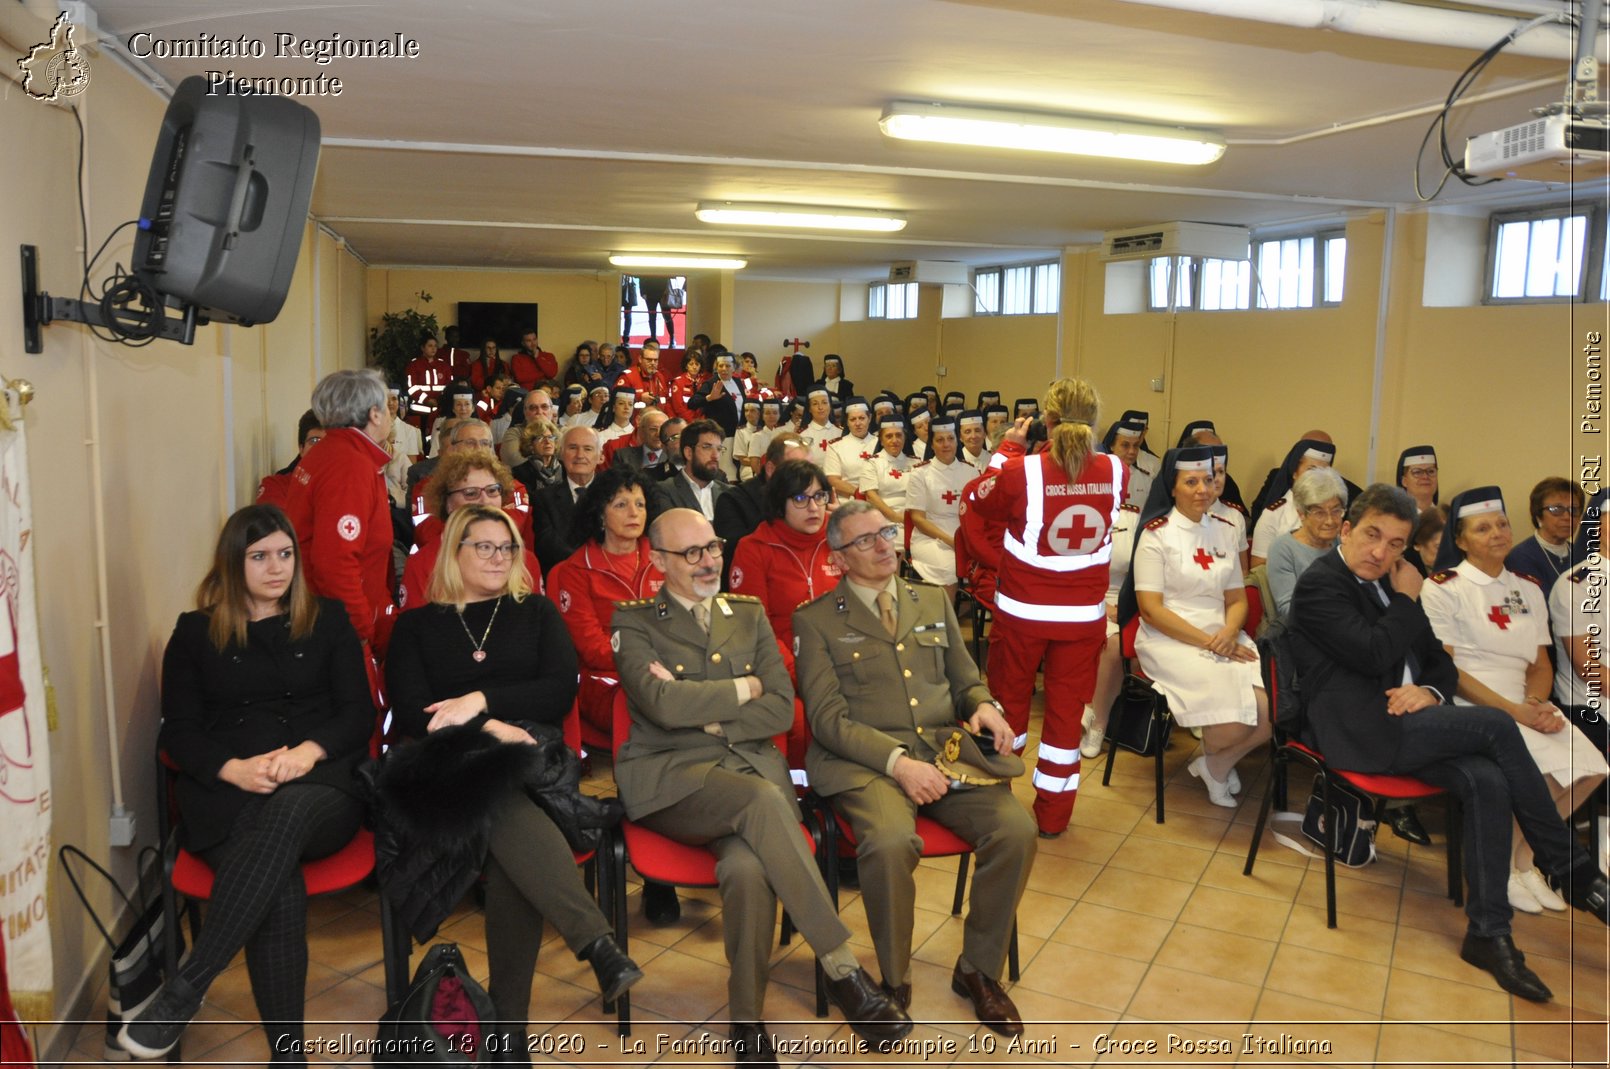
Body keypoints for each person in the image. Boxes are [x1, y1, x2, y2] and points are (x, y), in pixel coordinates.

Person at [1288, 483, 1610, 1001]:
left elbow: (1439, 663)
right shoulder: (1323, 585)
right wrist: (1407, 597)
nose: (1381, 552)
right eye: (1372, 536)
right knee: (1497, 726)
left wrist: (1430, 690)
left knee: (1485, 779)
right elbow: (1373, 654)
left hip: (1406, 722)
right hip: (1356, 732)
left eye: (1395, 544)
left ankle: (1489, 933)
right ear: (1345, 530)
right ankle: (1570, 868)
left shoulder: (1393, 583)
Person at [610, 509, 912, 1058]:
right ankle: (843, 970)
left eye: (713, 547)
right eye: (692, 553)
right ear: (657, 562)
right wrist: (741, 687)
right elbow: (657, 704)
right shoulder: (634, 622)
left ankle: (746, 1023)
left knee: (748, 869)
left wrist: (708, 711)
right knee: (762, 798)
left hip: (748, 778)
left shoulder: (746, 616)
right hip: (671, 783)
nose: (709, 562)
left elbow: (780, 711)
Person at [118, 506, 373, 1061]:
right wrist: (233, 769)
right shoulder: (194, 634)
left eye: (285, 555)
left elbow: (358, 714)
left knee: (284, 816)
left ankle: (187, 988)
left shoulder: (327, 619)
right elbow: (179, 734)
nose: (276, 568)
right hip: (229, 791)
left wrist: (307, 753)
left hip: (321, 786)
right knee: (276, 884)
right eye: (259, 557)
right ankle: (289, 1056)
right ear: (233, 564)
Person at [384, 506, 642, 1039]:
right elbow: (413, 711)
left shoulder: (536, 613)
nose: (499, 558)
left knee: (508, 846)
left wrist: (481, 700)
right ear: (454, 551)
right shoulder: (414, 628)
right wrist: (490, 730)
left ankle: (510, 1040)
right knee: (498, 800)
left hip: (531, 765)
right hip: (444, 774)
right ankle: (594, 944)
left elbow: (558, 688)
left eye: (507, 548)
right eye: (484, 547)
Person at [793, 500, 1035, 1036]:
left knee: (1016, 830)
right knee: (889, 843)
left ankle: (977, 970)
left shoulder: (929, 600)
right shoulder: (814, 622)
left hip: (943, 755)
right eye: (866, 541)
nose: (884, 546)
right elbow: (828, 722)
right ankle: (894, 978)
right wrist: (897, 763)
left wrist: (983, 704)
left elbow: (963, 678)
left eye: (885, 533)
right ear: (838, 558)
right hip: (865, 764)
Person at [1421, 487, 1608, 913]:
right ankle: (1502, 867)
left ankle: (1523, 863)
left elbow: (1540, 663)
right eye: (1482, 528)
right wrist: (1515, 712)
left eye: (1502, 524)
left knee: (1591, 767)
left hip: (1524, 700)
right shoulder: (1444, 588)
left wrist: (1536, 703)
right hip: (1473, 704)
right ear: (1462, 539)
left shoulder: (1526, 587)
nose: (1497, 533)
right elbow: (1448, 671)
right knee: (1547, 773)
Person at [969, 378, 1125, 836]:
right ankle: (1054, 818)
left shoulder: (1024, 471)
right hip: (1083, 621)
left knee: (1008, 706)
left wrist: (1007, 451)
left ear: (1047, 421)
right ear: (1095, 421)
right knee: (1063, 720)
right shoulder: (1117, 470)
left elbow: (980, 501)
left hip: (1023, 614)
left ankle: (998, 805)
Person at [1117, 446, 1270, 806]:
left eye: (1208, 479)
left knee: (1269, 711)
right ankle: (1217, 759)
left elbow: (1237, 599)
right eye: (1191, 481)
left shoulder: (1226, 529)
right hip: (1170, 638)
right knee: (1234, 720)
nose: (1203, 488)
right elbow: (1151, 611)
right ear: (1172, 487)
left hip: (1223, 633)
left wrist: (1230, 632)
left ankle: (1215, 764)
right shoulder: (1156, 536)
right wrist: (1211, 642)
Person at [282, 369, 397, 653]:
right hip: (343, 629)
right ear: (374, 414)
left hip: (325, 617)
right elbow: (335, 562)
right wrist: (360, 630)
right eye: (387, 406)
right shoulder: (350, 465)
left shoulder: (328, 453)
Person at [548, 467, 664, 747]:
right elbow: (591, 647)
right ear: (600, 514)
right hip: (606, 678)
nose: (634, 513)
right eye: (621, 505)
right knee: (652, 704)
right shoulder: (577, 570)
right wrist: (646, 664)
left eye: (640, 504)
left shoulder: (663, 557)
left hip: (668, 665)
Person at [1550, 487, 1610, 867]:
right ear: (1599, 526)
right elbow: (1589, 670)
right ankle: (1604, 857)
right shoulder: (1577, 585)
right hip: (1589, 706)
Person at [401, 451, 541, 610]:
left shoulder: (525, 561)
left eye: (493, 490)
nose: (485, 501)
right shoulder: (422, 565)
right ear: (448, 504)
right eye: (470, 493)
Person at [715, 434, 812, 591]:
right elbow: (735, 557)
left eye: (810, 469)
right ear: (771, 469)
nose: (806, 478)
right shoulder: (732, 500)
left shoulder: (812, 501)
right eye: (796, 470)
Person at [905, 414, 975, 594]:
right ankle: (946, 620)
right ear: (932, 444)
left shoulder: (971, 472)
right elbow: (918, 519)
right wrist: (951, 541)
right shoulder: (920, 473)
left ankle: (956, 614)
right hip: (930, 537)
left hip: (963, 534)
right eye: (940, 440)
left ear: (957, 441)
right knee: (950, 568)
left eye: (950, 439)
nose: (946, 444)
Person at [1265, 467, 1348, 618]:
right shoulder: (1283, 549)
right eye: (1319, 513)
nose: (1330, 521)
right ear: (1301, 513)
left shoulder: (1344, 544)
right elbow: (1289, 608)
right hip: (1308, 631)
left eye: (1336, 511)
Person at [1249, 437, 1338, 569]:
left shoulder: (1335, 514)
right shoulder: (1273, 515)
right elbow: (1258, 569)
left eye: (1324, 472)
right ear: (1295, 472)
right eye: (1310, 470)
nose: (1316, 478)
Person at [531, 425, 602, 578]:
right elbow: (547, 545)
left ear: (599, 456)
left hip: (607, 575)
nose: (580, 455)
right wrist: (585, 566)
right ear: (561, 454)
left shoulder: (613, 495)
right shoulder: (543, 498)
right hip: (563, 577)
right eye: (572, 448)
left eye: (588, 449)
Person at [1505, 477, 1586, 598]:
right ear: (1538, 515)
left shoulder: (1582, 556)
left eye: (1573, 510)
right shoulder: (1519, 558)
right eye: (1557, 509)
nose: (1567, 517)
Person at [652, 418, 728, 521]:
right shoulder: (665, 491)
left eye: (719, 449)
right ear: (688, 453)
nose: (715, 456)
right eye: (707, 447)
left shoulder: (728, 493)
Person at [256, 412, 325, 509]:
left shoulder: (349, 485)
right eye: (314, 441)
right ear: (301, 449)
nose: (322, 448)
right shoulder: (277, 486)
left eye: (330, 441)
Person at [860, 415, 914, 525]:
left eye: (899, 435)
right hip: (883, 517)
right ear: (881, 441)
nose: (895, 440)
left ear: (905, 438)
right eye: (889, 436)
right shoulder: (871, 463)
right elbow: (871, 497)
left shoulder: (916, 463)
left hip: (914, 516)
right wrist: (897, 518)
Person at [824, 397, 876, 500]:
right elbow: (832, 479)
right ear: (847, 422)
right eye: (852, 419)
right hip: (849, 500)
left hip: (880, 499)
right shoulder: (836, 446)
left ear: (869, 418)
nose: (857, 423)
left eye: (862, 418)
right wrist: (859, 494)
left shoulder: (881, 443)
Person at [404, 335, 452, 435]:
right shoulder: (414, 365)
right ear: (422, 348)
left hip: (439, 411)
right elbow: (412, 388)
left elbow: (449, 386)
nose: (433, 348)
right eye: (430, 346)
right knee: (420, 440)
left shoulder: (443, 366)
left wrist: (441, 400)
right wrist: (427, 400)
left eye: (435, 346)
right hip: (419, 411)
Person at [1102, 416, 1152, 509]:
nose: (1132, 451)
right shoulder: (1101, 476)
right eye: (1125, 445)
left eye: (1136, 445)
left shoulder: (1146, 479)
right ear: (1112, 446)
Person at [500, 388, 556, 468]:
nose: (539, 412)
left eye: (544, 407)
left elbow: (568, 457)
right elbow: (513, 461)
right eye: (533, 408)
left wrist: (551, 427)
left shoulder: (562, 431)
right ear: (525, 412)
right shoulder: (514, 433)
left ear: (551, 411)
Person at [606, 407, 669, 471]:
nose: (658, 434)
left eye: (662, 430)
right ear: (642, 431)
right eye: (653, 429)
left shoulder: (675, 456)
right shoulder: (622, 456)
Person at [511, 417, 563, 492]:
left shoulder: (566, 468)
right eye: (541, 438)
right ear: (530, 445)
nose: (547, 441)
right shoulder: (520, 473)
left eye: (550, 437)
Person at [617, 340, 668, 408]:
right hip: (636, 417)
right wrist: (639, 397)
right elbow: (617, 397)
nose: (653, 363)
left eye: (655, 360)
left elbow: (667, 401)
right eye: (649, 360)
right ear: (640, 359)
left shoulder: (659, 376)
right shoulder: (628, 376)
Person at [798, 387, 843, 458]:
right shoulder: (802, 435)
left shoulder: (841, 433)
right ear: (809, 409)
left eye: (824, 403)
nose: (820, 407)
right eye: (815, 404)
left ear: (830, 406)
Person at [1397, 445, 1439, 514]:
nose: (1425, 476)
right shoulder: (1394, 519)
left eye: (1431, 471)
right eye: (1417, 472)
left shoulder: (1446, 519)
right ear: (1404, 481)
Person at [636, 276, 677, 346]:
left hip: (664, 292)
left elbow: (671, 275)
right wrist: (642, 292)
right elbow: (642, 275)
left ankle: (672, 338)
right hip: (650, 293)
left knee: (667, 316)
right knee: (652, 317)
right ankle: (653, 339)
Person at [594, 386, 638, 451]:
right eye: (621, 403)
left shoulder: (639, 435)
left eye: (630, 404)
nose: (626, 407)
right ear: (613, 407)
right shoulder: (601, 436)